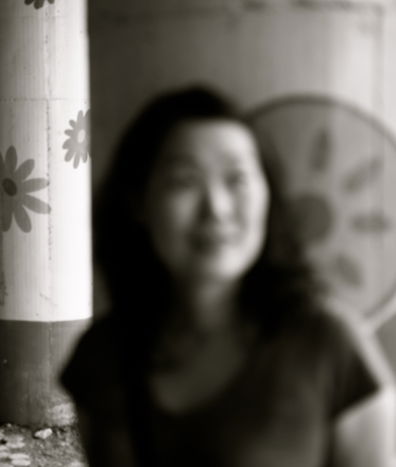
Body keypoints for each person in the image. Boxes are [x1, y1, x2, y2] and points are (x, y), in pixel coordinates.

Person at [61, 87, 394, 466]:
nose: (216, 209)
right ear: (138, 201)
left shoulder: (328, 345)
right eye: (184, 181)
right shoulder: (102, 355)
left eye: (236, 179)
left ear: (269, 194)